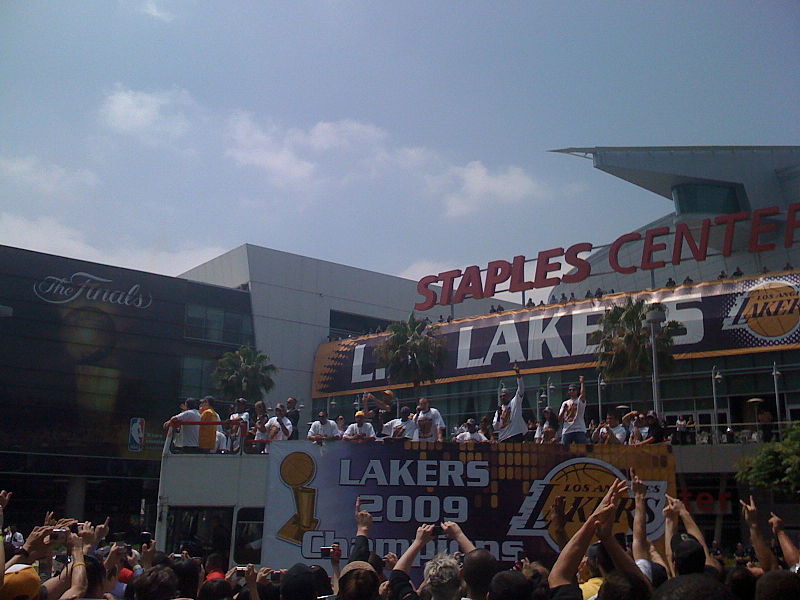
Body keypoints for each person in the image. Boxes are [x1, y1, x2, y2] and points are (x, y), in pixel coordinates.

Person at [492, 363, 527, 443]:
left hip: (515, 434)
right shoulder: (499, 411)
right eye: (501, 396)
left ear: (509, 396)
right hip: (503, 438)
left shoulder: (515, 402)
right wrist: (498, 416)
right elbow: (496, 427)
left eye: (504, 395)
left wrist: (518, 375)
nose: (502, 398)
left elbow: (521, 389)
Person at [559, 375, 588, 448]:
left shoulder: (579, 401)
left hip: (579, 429)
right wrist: (564, 411)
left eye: (574, 390)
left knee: (583, 449)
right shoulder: (565, 403)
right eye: (570, 390)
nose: (571, 391)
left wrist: (582, 383)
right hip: (567, 430)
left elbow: (583, 395)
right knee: (563, 450)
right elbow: (559, 419)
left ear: (577, 391)